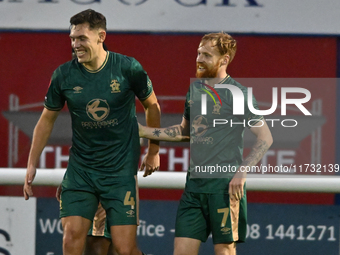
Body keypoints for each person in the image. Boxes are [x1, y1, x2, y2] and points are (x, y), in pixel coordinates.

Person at [23, 9, 160, 255]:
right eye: (73, 38)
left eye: (82, 38)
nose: (75, 44)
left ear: (101, 36)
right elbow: (46, 121)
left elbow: (153, 106)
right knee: (72, 237)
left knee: (124, 248)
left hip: (120, 172)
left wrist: (153, 151)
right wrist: (31, 163)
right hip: (81, 172)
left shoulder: (128, 68)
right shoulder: (63, 75)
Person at [139, 32, 273, 255]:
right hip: (194, 189)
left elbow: (265, 137)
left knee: (224, 252)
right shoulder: (195, 90)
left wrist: (242, 172)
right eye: (198, 53)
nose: (199, 59)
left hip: (224, 187)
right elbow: (184, 132)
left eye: (207, 55)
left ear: (224, 60)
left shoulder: (238, 94)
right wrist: (144, 131)